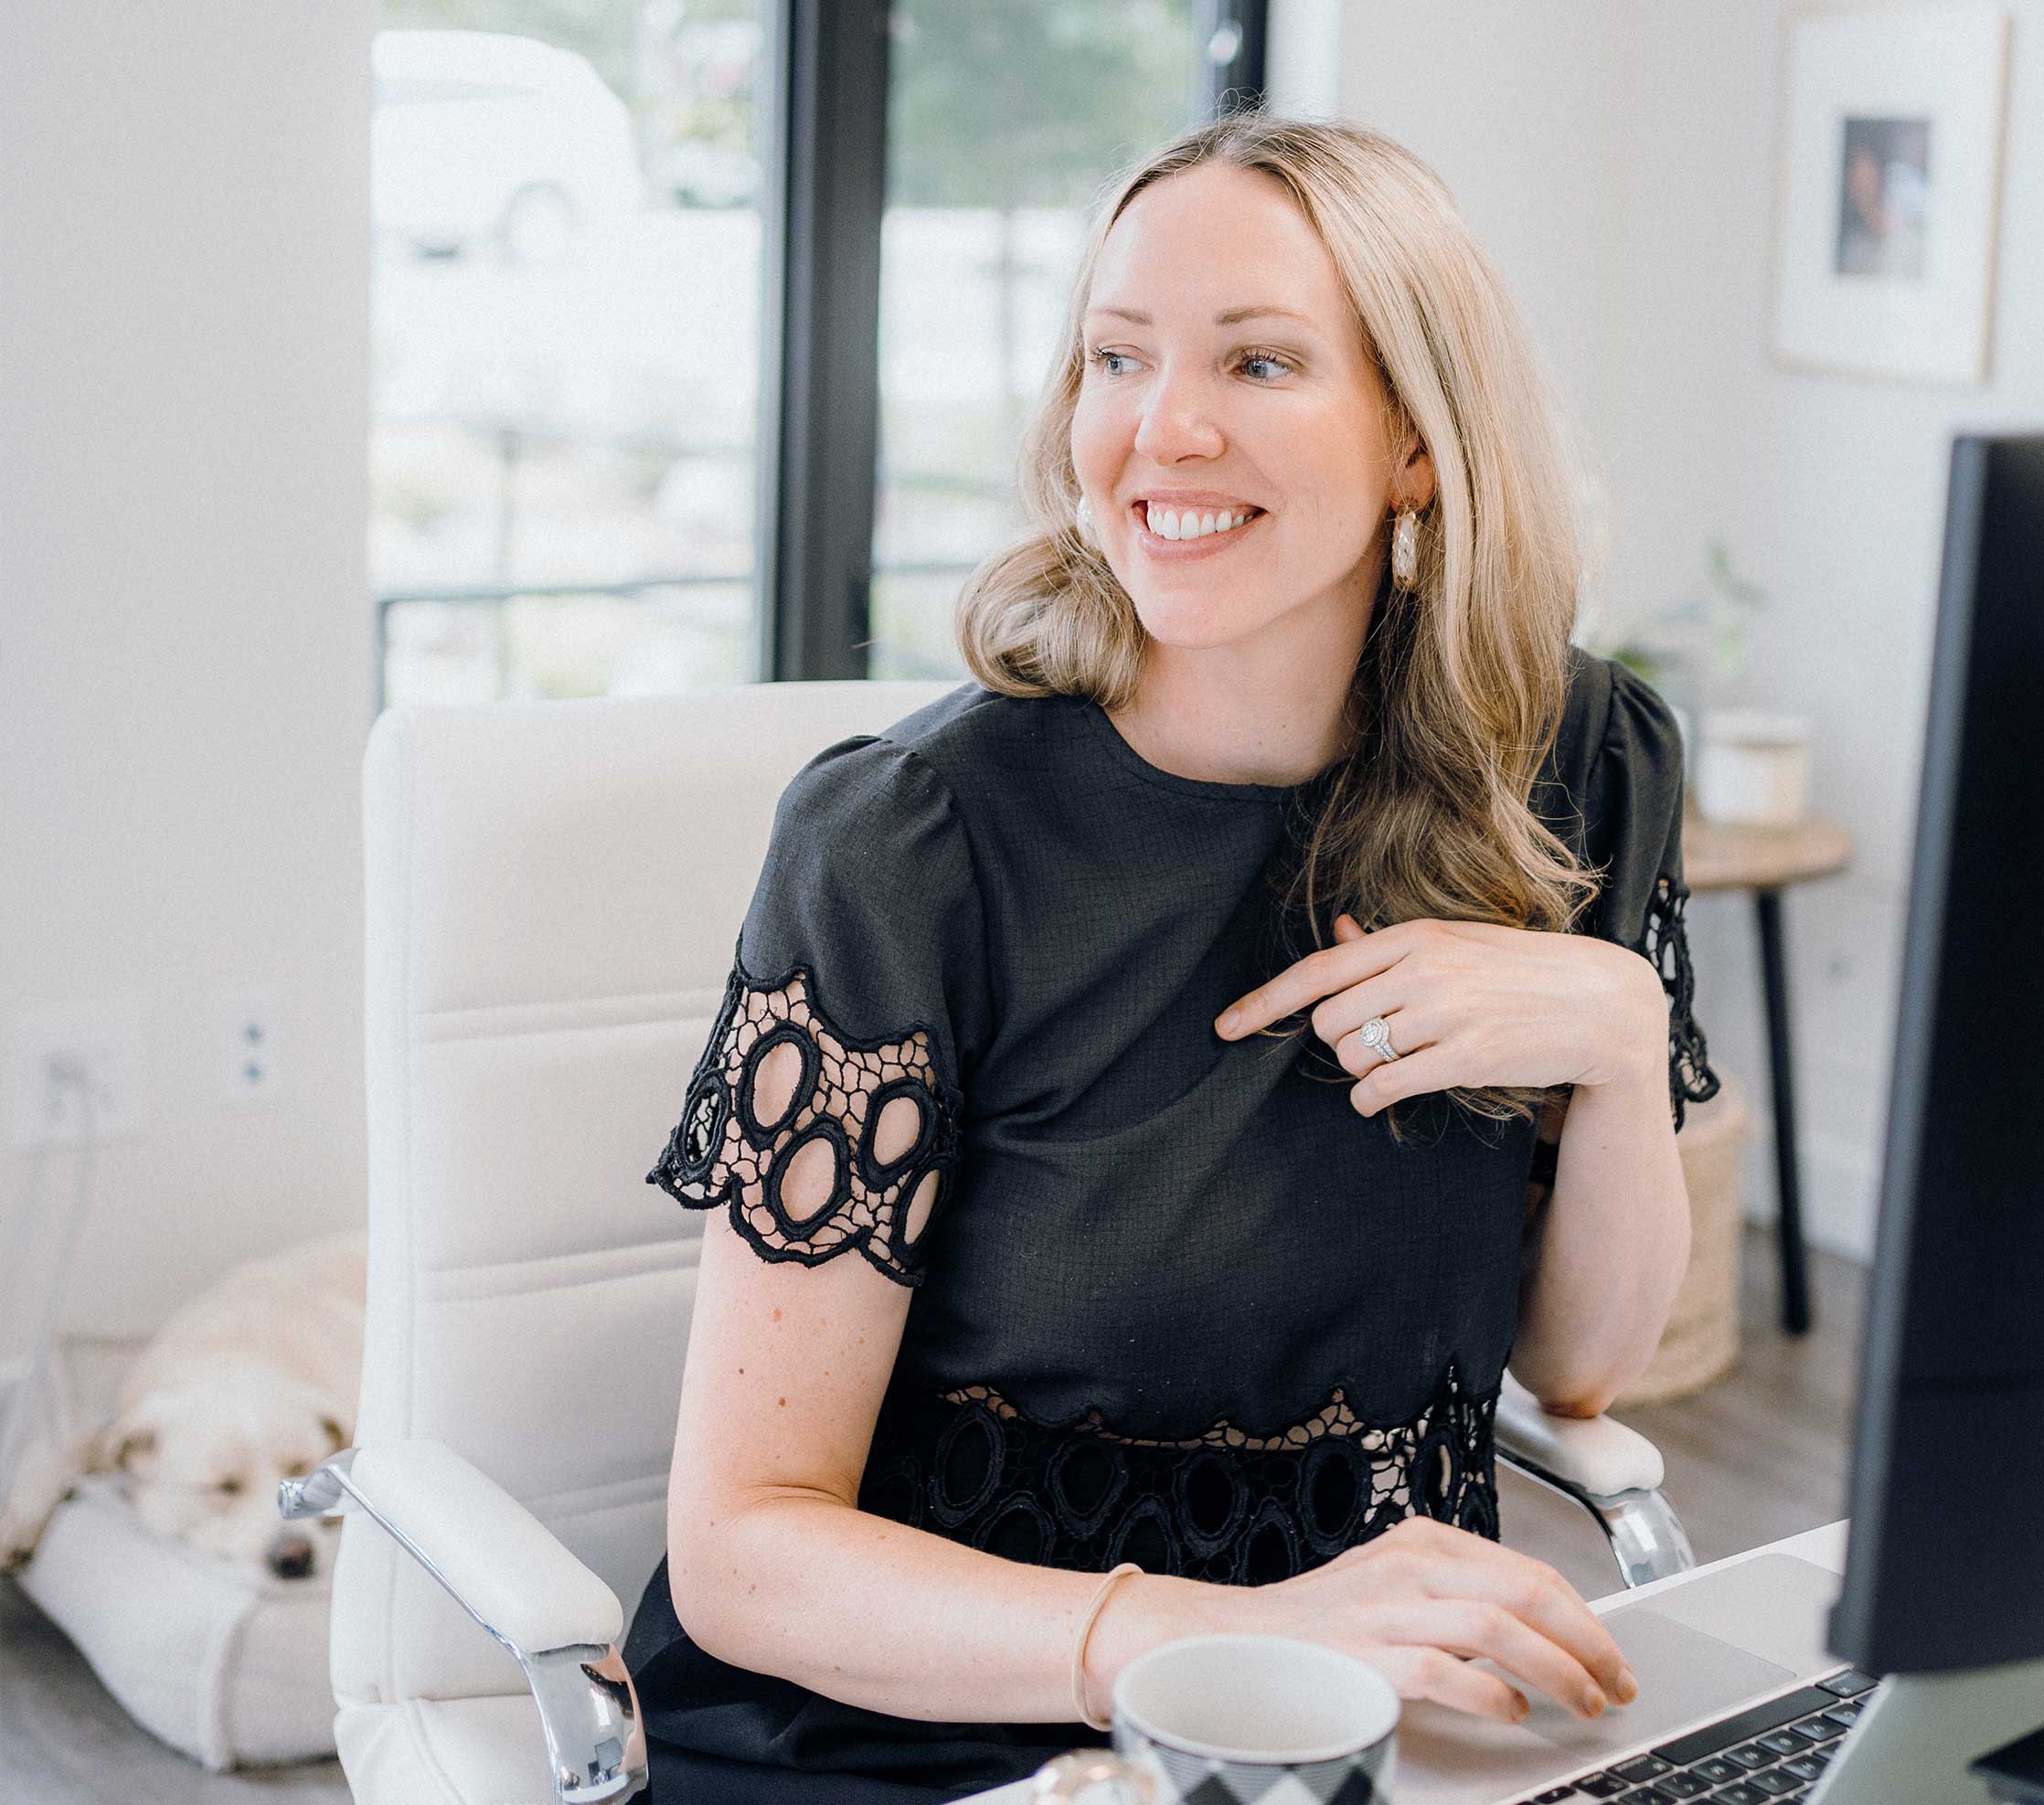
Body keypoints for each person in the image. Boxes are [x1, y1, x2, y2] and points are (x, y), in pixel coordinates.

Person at [623, 111, 1717, 1805]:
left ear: (1420, 442)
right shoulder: (911, 843)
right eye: (1112, 357)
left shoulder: (1581, 760)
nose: (1160, 429)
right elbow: (747, 1555)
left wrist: (1622, 1039)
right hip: (930, 1714)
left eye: (1261, 362)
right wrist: (1218, 1639)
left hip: (1363, 1704)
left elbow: (1570, 1367)